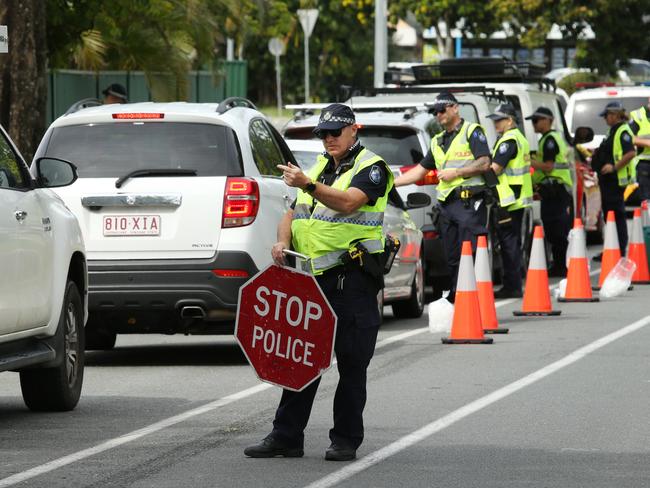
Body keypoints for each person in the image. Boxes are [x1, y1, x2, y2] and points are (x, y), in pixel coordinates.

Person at [244, 103, 393, 462]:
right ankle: (286, 436)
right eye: (323, 133)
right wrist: (283, 242)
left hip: (352, 281)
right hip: (312, 281)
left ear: (353, 130)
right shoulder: (321, 167)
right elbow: (292, 213)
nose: (328, 139)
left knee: (352, 364)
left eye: (335, 132)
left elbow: (349, 204)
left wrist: (308, 184)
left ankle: (345, 440)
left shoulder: (371, 168)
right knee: (300, 359)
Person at [394, 92, 492, 301]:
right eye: (435, 112)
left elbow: (484, 163)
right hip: (447, 205)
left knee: (471, 252)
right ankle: (459, 297)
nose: (438, 115)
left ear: (455, 108)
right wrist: (389, 184)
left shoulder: (472, 132)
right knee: (453, 256)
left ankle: (475, 299)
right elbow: (419, 171)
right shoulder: (437, 141)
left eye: (442, 109)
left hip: (468, 202)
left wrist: (456, 173)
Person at [487, 103, 533, 298]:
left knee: (509, 244)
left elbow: (495, 169)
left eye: (499, 120)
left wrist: (479, 182)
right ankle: (513, 283)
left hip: (508, 200)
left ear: (510, 120)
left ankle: (512, 286)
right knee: (512, 243)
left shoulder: (510, 140)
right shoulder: (517, 138)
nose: (496, 123)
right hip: (515, 198)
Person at [527, 106, 572, 277]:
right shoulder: (547, 139)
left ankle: (561, 266)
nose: (533, 124)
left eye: (536, 120)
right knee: (553, 228)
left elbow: (548, 166)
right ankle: (559, 265)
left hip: (556, 191)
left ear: (547, 120)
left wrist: (528, 161)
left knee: (557, 229)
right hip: (552, 192)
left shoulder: (550, 140)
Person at [591, 101, 636, 257]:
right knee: (609, 216)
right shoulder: (612, 131)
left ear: (615, 115)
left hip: (615, 181)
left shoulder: (623, 131)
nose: (605, 119)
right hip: (608, 181)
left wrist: (614, 167)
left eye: (606, 116)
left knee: (616, 216)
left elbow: (630, 153)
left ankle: (619, 250)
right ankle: (611, 249)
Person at [629, 97, 650, 201]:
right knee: (646, 200)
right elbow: (631, 138)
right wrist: (647, 143)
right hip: (644, 164)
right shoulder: (638, 115)